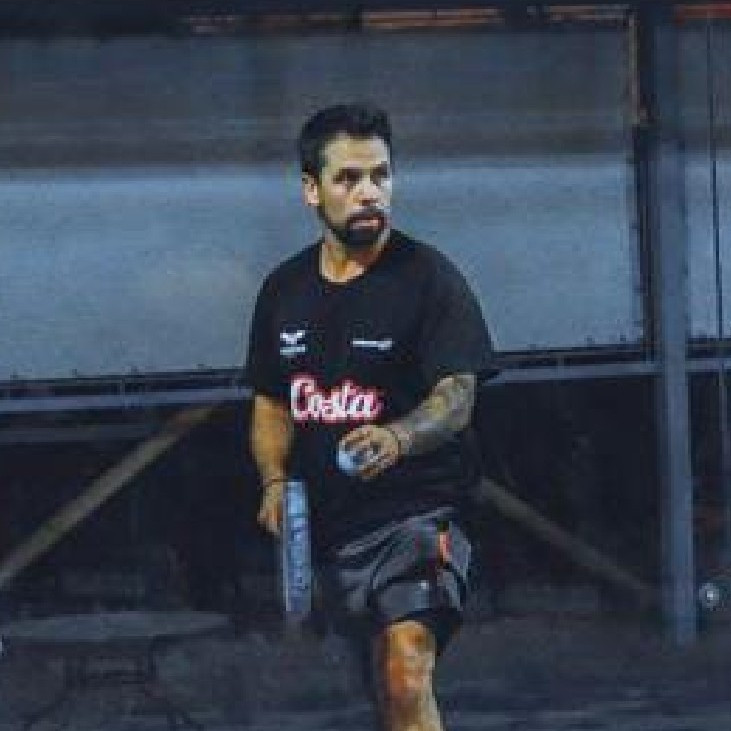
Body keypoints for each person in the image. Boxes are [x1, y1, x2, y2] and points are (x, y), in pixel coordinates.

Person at [246, 103, 497, 731]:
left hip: (419, 515)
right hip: (332, 527)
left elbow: (457, 397)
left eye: (380, 175)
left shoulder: (431, 279)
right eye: (349, 178)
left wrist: (399, 436)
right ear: (312, 190)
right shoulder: (283, 290)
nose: (369, 193)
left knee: (407, 669)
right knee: (385, 690)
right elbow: (272, 402)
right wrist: (274, 481)